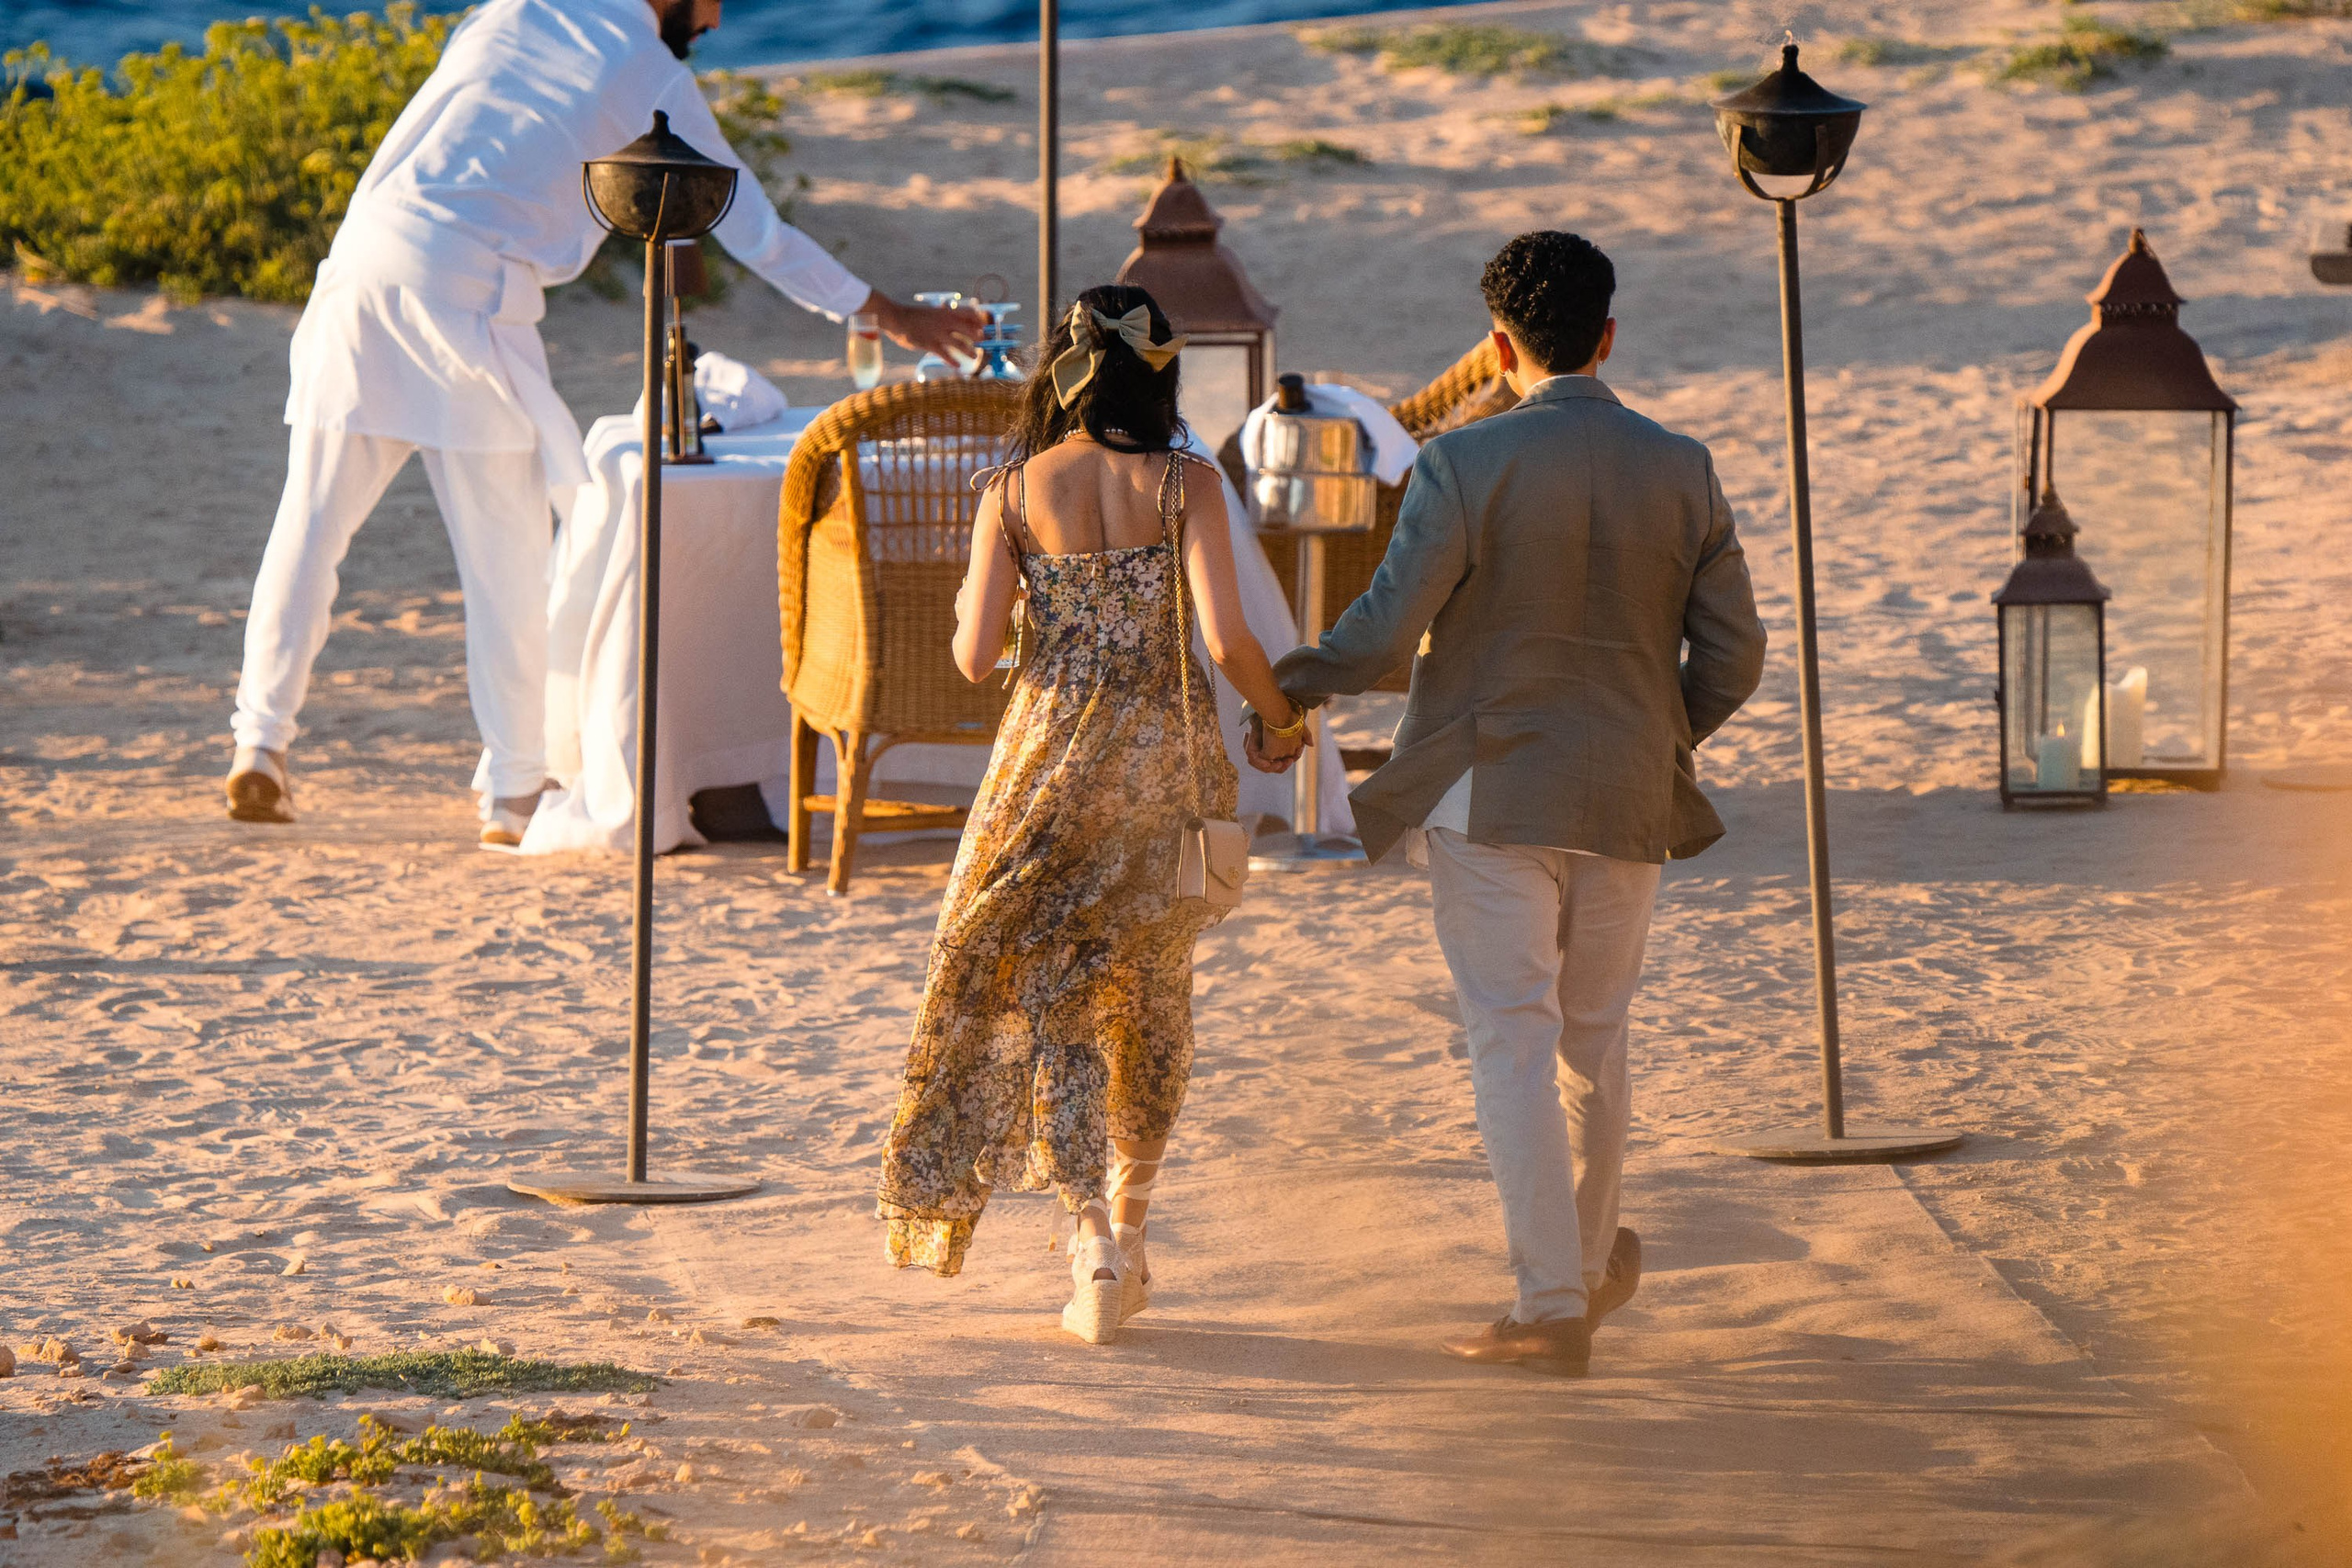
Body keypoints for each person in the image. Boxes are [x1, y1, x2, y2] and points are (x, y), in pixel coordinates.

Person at [223, 0, 977, 844]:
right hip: (468, 292)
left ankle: (260, 743)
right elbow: (753, 229)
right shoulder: (649, 70)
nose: (718, 20)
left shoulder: (506, 11)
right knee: (504, 555)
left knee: (309, 527)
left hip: (360, 265)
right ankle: (512, 794)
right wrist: (885, 313)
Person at [1262, 232, 1768, 1376]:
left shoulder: (1460, 464)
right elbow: (1734, 657)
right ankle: (1582, 1275)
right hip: (1631, 789)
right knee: (1593, 1040)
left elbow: (1383, 636)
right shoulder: (1682, 465)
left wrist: (1293, 685)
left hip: (1489, 789)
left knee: (1512, 1039)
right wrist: (1657, 733)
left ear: (1499, 346)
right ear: (1607, 335)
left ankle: (1551, 1307)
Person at [876, 284, 1306, 1346]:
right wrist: (1282, 722)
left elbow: (975, 659)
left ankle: (1089, 1247)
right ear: (1158, 373)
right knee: (1149, 1002)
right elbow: (1227, 638)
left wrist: (1036, 615)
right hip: (1164, 769)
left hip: (1044, 767)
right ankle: (1127, 1226)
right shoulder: (1187, 484)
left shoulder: (1012, 491)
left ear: (1059, 374)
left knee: (1053, 996)